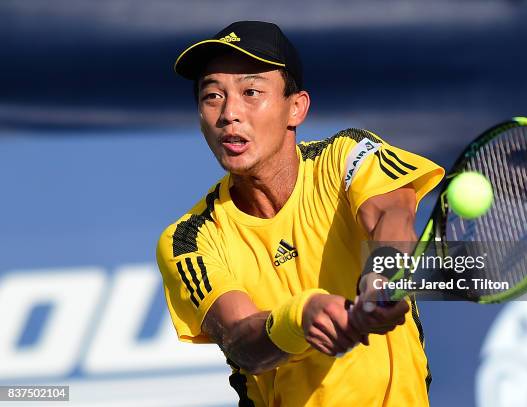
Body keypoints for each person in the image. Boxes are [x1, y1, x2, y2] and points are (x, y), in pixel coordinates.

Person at [156, 20, 444, 406]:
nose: (229, 113)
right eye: (212, 96)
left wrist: (382, 275)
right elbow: (241, 342)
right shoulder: (189, 239)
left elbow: (391, 214)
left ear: (296, 108)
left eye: (251, 91)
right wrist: (298, 318)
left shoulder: (345, 155)